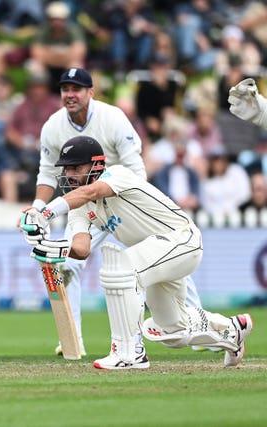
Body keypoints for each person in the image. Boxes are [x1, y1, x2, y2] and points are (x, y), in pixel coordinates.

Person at [20, 135, 253, 369]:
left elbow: (90, 193)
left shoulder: (116, 175)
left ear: (97, 165)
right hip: (155, 257)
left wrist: (44, 214)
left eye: (75, 168)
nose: (69, 175)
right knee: (173, 330)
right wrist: (53, 247)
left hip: (182, 240)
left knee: (121, 268)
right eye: (66, 169)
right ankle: (231, 330)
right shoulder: (78, 208)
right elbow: (82, 249)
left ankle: (129, 352)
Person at [20, 67, 203, 357]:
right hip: (87, 205)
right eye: (65, 89)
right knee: (69, 266)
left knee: (165, 261)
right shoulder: (53, 127)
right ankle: (73, 340)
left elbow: (135, 166)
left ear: (90, 92)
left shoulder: (113, 118)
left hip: (123, 196)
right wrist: (38, 210)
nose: (70, 95)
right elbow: (47, 175)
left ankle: (198, 327)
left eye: (76, 89)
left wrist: (132, 203)